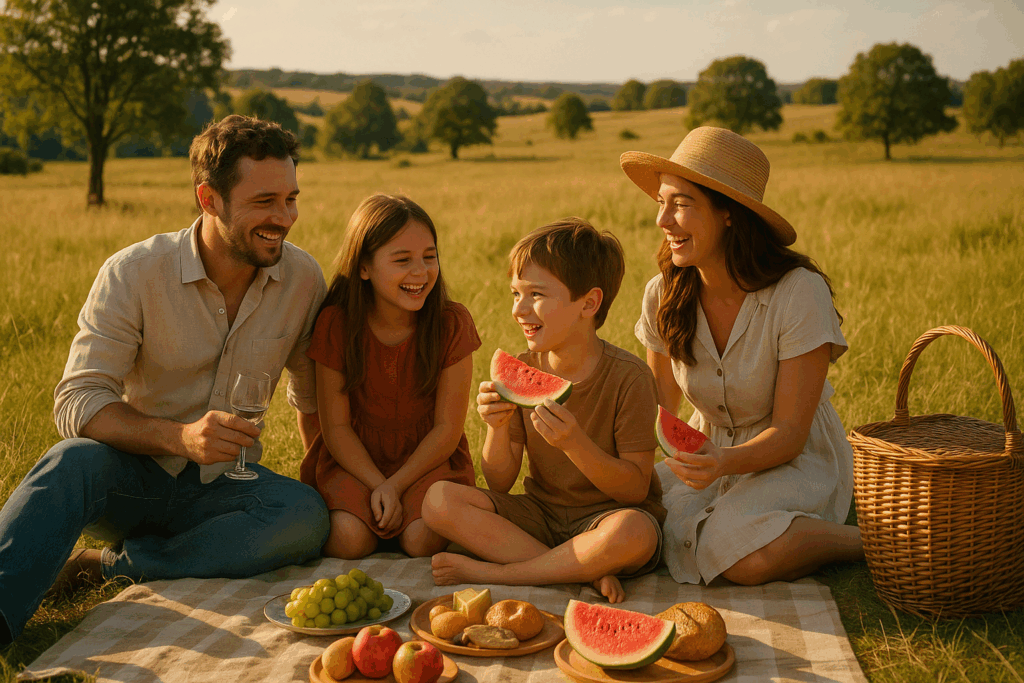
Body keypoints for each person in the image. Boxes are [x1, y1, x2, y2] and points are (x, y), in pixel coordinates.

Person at [0, 115, 330, 647]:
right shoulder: (134, 272)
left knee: (305, 517)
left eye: (291, 199)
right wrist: (180, 438)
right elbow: (78, 400)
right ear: (209, 199)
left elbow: (310, 397)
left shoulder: (303, 279)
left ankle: (108, 567)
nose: (285, 217)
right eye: (265, 201)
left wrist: (324, 480)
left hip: (226, 488)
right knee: (69, 463)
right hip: (131, 478)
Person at [620, 126, 864, 586]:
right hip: (706, 455)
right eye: (661, 203)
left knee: (735, 555)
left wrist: (724, 462)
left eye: (681, 204)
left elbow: (790, 433)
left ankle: (864, 541)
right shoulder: (662, 293)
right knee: (638, 523)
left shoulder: (798, 292)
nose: (663, 220)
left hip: (793, 459)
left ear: (728, 212)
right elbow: (660, 407)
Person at [422, 218, 664, 603]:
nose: (519, 309)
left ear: (589, 303)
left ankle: (502, 573)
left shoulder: (630, 377)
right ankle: (582, 572)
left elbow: (635, 489)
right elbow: (499, 482)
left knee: (636, 532)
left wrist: (575, 445)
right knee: (438, 500)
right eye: (515, 293)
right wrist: (497, 428)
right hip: (540, 516)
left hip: (606, 519)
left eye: (535, 294)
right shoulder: (523, 367)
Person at [299, 194, 480, 560]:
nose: (420, 272)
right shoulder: (336, 324)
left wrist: (395, 486)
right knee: (349, 540)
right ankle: (372, 519)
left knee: (420, 540)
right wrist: (377, 484)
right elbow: (336, 428)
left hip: (426, 459)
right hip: (354, 459)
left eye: (429, 257)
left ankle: (400, 517)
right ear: (364, 267)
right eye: (402, 260)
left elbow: (447, 429)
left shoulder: (451, 323)